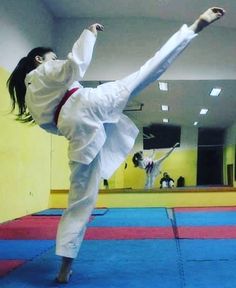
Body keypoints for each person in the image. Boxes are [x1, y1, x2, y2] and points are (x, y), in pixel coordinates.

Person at [7, 7, 225, 283]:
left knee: (78, 203)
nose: (55, 59)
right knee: (148, 70)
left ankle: (64, 268)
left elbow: (52, 126)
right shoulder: (43, 70)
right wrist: (88, 34)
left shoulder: (31, 101)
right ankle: (193, 28)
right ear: (39, 59)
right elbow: (75, 65)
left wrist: (78, 129)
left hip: (76, 132)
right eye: (52, 56)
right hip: (91, 102)